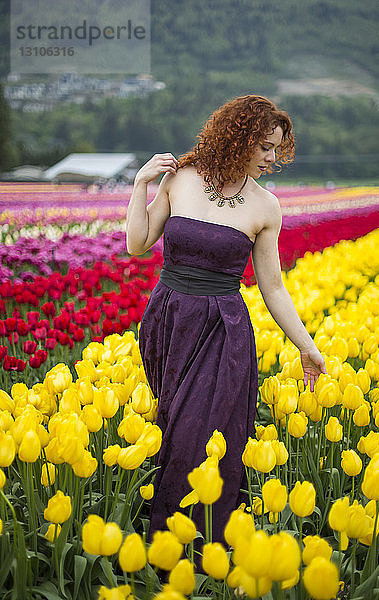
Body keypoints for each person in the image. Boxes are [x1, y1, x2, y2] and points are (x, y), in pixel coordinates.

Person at [126, 94, 327, 549]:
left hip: (222, 330)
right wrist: (140, 185)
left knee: (201, 438)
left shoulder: (265, 207)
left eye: (278, 149)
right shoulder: (180, 179)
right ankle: (166, 552)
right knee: (171, 433)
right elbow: (138, 244)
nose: (273, 159)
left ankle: (192, 556)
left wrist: (306, 345)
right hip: (169, 319)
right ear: (240, 137)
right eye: (265, 147)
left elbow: (273, 287)